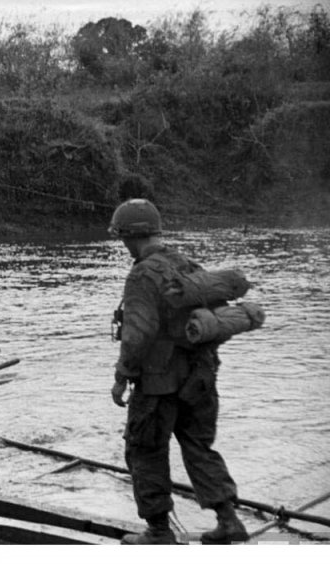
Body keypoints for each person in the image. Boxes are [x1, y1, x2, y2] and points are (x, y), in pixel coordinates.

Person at [109, 198, 247, 545]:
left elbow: (137, 334)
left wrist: (121, 377)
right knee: (199, 447)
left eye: (122, 237)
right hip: (200, 376)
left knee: (144, 449)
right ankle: (228, 519)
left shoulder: (142, 274)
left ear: (129, 235)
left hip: (159, 383)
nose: (122, 244)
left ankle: (158, 532)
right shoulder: (187, 264)